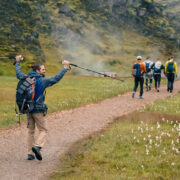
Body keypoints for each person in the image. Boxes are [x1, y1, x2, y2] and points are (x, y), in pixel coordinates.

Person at [15, 55, 70, 161]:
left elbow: (18, 73)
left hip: (27, 109)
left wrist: (17, 62)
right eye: (43, 69)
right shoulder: (42, 81)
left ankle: (30, 153)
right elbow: (56, 78)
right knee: (43, 130)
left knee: (31, 131)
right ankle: (37, 146)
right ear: (38, 71)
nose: (45, 71)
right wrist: (65, 67)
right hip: (38, 110)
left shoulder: (26, 78)